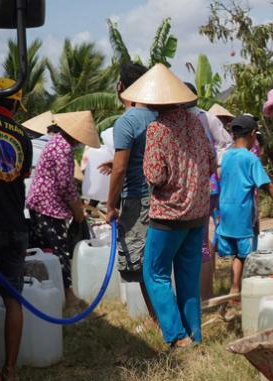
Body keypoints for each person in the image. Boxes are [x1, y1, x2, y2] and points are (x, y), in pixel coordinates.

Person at [121, 63, 216, 348]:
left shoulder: (157, 129)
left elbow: (154, 175)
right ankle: (194, 336)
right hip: (197, 213)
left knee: (155, 274)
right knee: (187, 278)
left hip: (169, 214)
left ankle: (176, 336)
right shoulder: (196, 123)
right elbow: (211, 162)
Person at [102, 62, 159, 332]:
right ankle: (165, 316)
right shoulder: (161, 116)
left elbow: (121, 167)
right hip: (162, 198)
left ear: (120, 87)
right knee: (160, 262)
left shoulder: (125, 122)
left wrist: (111, 205)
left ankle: (158, 319)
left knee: (141, 264)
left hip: (137, 199)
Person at [0, 69, 32, 381]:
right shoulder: (22, 135)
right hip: (17, 225)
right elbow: (21, 178)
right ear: (13, 106)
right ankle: (10, 370)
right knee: (14, 299)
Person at [217, 115, 273, 298]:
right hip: (242, 214)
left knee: (236, 255)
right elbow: (267, 186)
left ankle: (234, 289)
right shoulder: (250, 159)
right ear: (253, 134)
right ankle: (239, 291)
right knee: (246, 256)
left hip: (225, 214)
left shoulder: (226, 156)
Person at [26, 110, 99, 305]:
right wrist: (78, 211)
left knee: (41, 249)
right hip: (47, 207)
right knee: (58, 251)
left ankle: (45, 291)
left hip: (41, 204)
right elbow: (65, 185)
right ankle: (67, 294)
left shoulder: (57, 142)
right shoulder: (63, 148)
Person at [183, 82, 233, 301]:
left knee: (200, 242)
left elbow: (225, 143)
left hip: (203, 188)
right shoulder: (198, 117)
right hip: (197, 187)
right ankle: (203, 290)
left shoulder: (203, 117)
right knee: (201, 241)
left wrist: (217, 166)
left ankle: (204, 294)